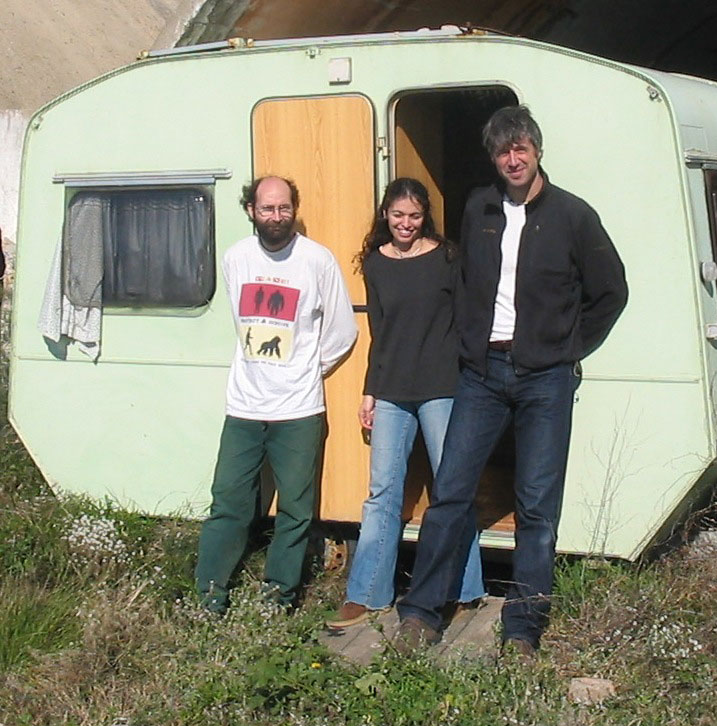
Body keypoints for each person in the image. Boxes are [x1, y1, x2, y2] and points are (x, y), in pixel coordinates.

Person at [394, 105, 628, 654]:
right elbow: (465, 279)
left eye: (521, 147)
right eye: (503, 151)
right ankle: (422, 614)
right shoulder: (479, 207)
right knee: (451, 493)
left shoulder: (573, 215)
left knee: (537, 504)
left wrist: (566, 349)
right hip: (483, 374)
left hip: (545, 379)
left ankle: (522, 629)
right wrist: (467, 343)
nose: (513, 158)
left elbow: (610, 292)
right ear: (495, 159)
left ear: (537, 150)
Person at [326, 178, 485, 630]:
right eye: (398, 215)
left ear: (425, 217)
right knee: (382, 494)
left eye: (414, 216)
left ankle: (466, 587)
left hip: (443, 389)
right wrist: (369, 390)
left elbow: (468, 320)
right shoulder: (375, 264)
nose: (405, 224)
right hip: (392, 392)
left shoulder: (448, 258)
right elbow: (379, 332)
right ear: (385, 215)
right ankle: (367, 593)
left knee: (451, 490)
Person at [196, 175, 357, 613]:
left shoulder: (317, 260)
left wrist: (304, 369)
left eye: (284, 208)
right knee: (228, 503)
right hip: (244, 406)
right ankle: (208, 599)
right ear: (251, 210)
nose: (276, 217)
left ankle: (277, 599)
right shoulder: (236, 258)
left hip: (300, 409)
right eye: (267, 208)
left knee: (296, 511)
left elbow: (343, 331)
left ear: (294, 209)